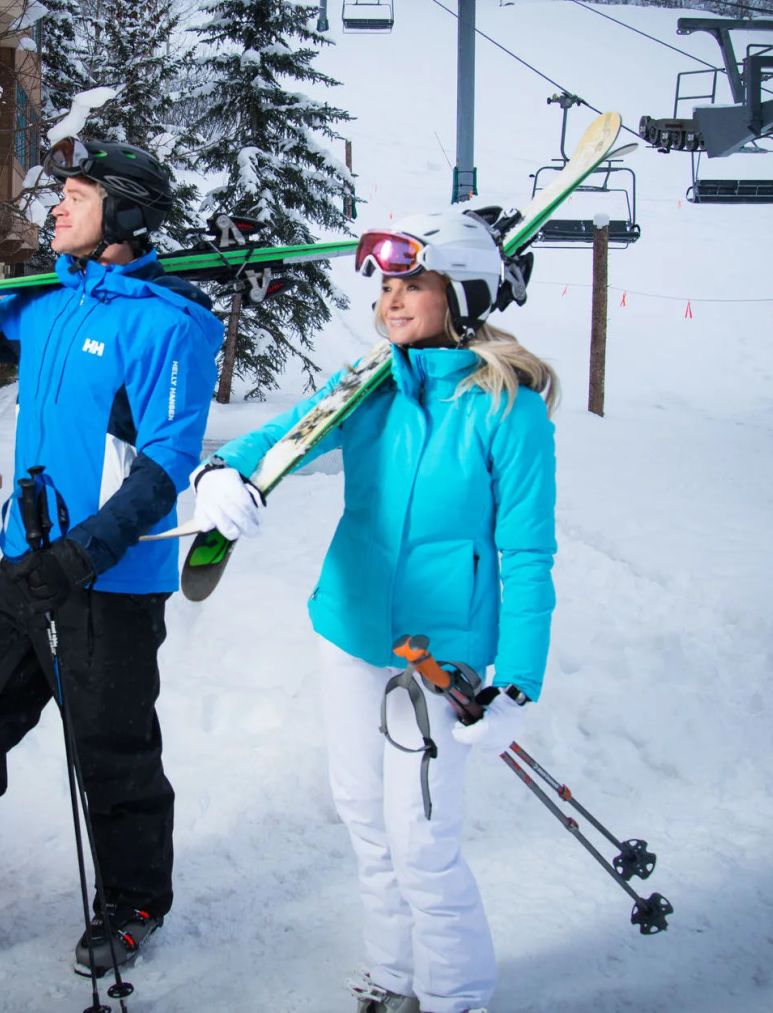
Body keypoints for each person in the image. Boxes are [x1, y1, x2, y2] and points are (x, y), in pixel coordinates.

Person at [0, 139, 224, 976]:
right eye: (59, 194)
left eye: (76, 195)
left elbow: (167, 465)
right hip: (25, 565)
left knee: (111, 750)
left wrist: (84, 553)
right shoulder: (48, 299)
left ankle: (133, 904)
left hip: (106, 584)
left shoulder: (173, 324)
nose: (56, 208)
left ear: (124, 215)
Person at [192, 210, 559, 1013]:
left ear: (459, 294)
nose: (392, 301)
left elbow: (527, 559)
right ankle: (393, 977)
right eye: (387, 286)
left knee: (422, 840)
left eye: (413, 284)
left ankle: (454, 997)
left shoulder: (507, 408)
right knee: (364, 817)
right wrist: (224, 472)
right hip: (350, 631)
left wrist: (519, 684)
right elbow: (287, 434)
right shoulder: (367, 384)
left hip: (439, 651)